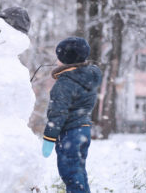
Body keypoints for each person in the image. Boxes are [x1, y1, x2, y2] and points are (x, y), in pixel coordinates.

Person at [41, 37, 102, 193]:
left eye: (59, 56)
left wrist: (49, 138)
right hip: (83, 129)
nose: (56, 60)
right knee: (78, 171)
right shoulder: (88, 78)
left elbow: (58, 113)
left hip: (69, 133)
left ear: (65, 59)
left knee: (70, 173)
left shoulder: (65, 83)